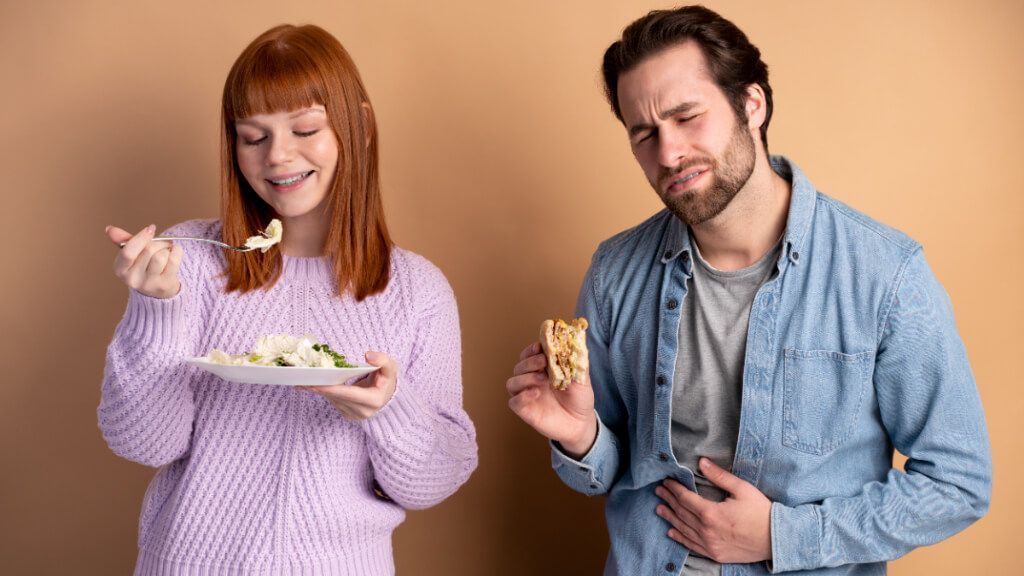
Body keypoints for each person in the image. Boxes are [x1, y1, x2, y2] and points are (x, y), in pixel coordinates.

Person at [507, 5, 990, 575]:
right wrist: (580, 435)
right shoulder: (615, 273)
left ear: (751, 104)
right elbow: (609, 470)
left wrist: (783, 536)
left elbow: (959, 483)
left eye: (687, 117)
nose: (668, 154)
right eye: (644, 134)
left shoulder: (885, 274)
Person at [100, 24, 477, 575]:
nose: (278, 156)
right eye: (253, 137)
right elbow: (144, 444)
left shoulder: (418, 290)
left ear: (361, 128)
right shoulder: (193, 261)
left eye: (305, 129)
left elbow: (435, 481)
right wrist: (158, 310)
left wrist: (388, 410)